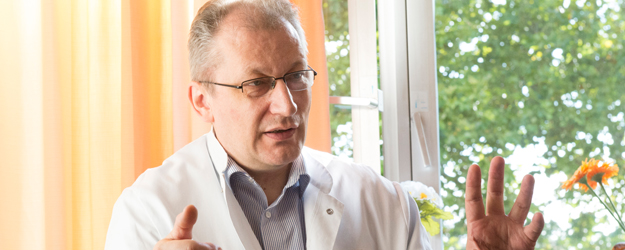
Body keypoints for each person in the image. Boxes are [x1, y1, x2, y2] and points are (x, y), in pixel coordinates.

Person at [104, 0, 545, 249]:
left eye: (296, 75)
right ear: (203, 100)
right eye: (257, 83)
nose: (287, 104)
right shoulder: (147, 212)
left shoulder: (381, 200)